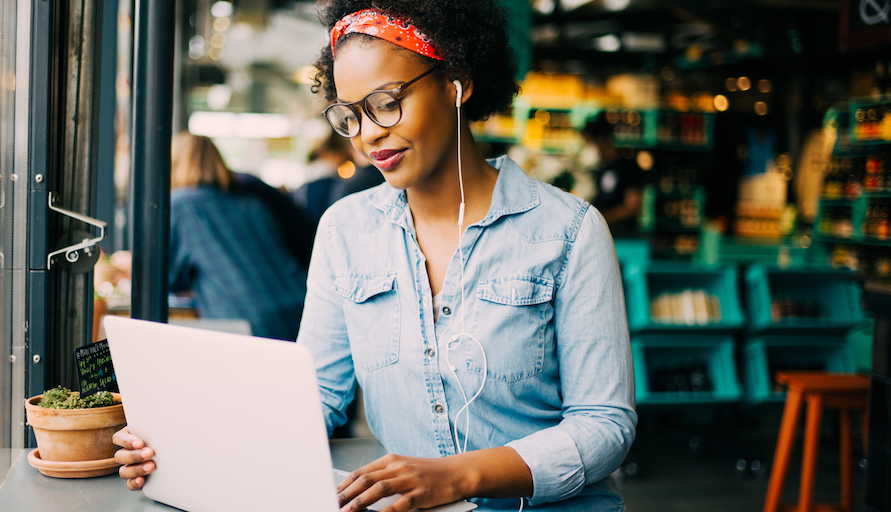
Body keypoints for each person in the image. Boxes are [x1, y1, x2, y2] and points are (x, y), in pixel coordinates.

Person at [115, 2, 636, 510]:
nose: (367, 135)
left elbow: (605, 426)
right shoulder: (346, 230)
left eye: (387, 102)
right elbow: (313, 394)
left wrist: (458, 477)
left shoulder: (569, 232)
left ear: (456, 82)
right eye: (350, 115)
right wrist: (187, 450)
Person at [167, 132, 309, 341]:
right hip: (299, 308)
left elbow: (171, 280)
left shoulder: (182, 204)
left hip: (246, 323)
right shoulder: (250, 202)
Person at [580, 112, 644, 236]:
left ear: (602, 139)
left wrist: (601, 218)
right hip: (599, 233)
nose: (587, 147)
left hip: (622, 236)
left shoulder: (628, 166)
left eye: (589, 142)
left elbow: (632, 206)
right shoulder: (596, 168)